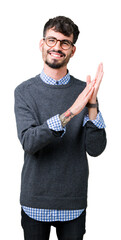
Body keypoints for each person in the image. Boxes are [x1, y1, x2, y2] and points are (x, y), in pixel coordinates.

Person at [14, 16, 107, 240]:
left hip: (72, 201)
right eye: (52, 40)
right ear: (42, 44)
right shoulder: (24, 91)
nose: (57, 47)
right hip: (36, 199)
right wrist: (70, 113)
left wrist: (92, 103)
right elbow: (29, 142)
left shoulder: (85, 91)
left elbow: (95, 148)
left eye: (65, 42)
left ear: (72, 50)